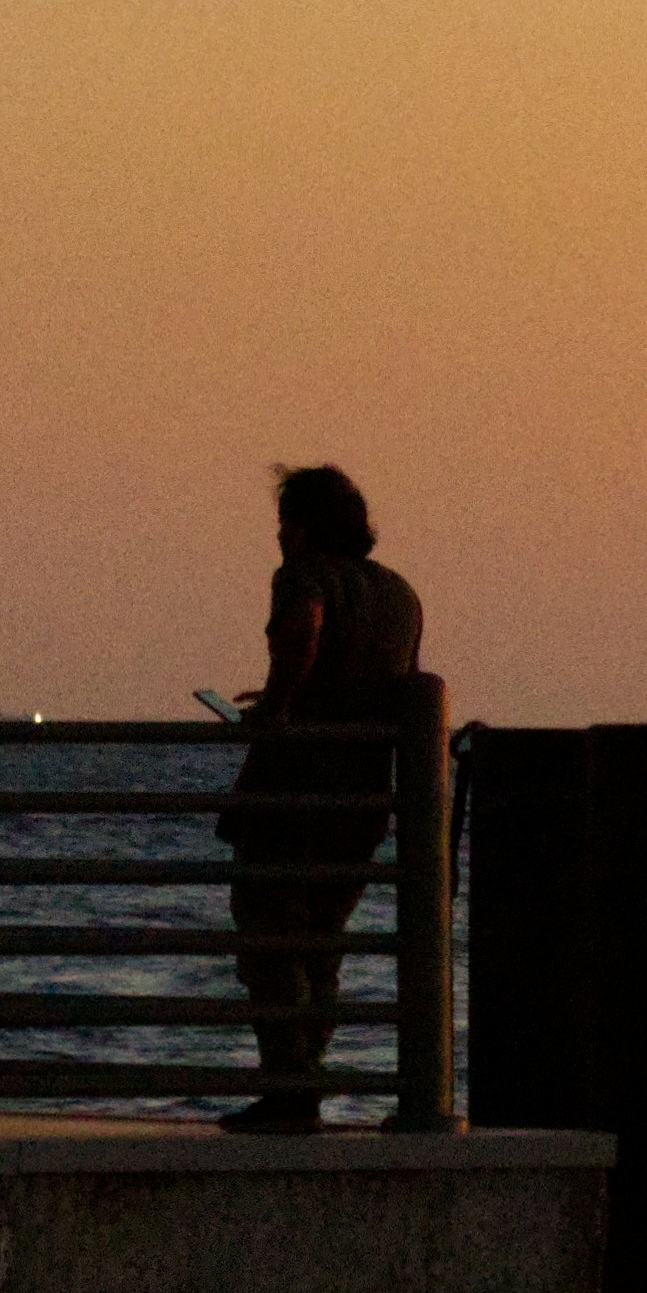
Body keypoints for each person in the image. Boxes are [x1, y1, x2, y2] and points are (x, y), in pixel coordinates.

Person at [216, 464, 423, 1131]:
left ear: (302, 526)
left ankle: (291, 1088)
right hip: (364, 796)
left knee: (270, 939)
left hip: (292, 789)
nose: (278, 535)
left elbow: (304, 625)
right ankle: (306, 1077)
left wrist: (276, 705)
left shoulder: (301, 575)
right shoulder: (399, 593)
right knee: (323, 945)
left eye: (284, 521)